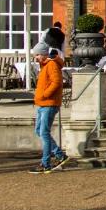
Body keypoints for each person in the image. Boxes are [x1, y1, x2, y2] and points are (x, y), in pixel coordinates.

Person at [30, 42, 68, 174]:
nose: (36, 58)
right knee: (39, 130)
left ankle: (46, 163)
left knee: (44, 133)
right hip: (43, 103)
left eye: (37, 55)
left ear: (44, 54)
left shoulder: (51, 64)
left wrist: (45, 94)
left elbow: (56, 82)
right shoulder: (45, 65)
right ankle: (59, 155)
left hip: (49, 103)